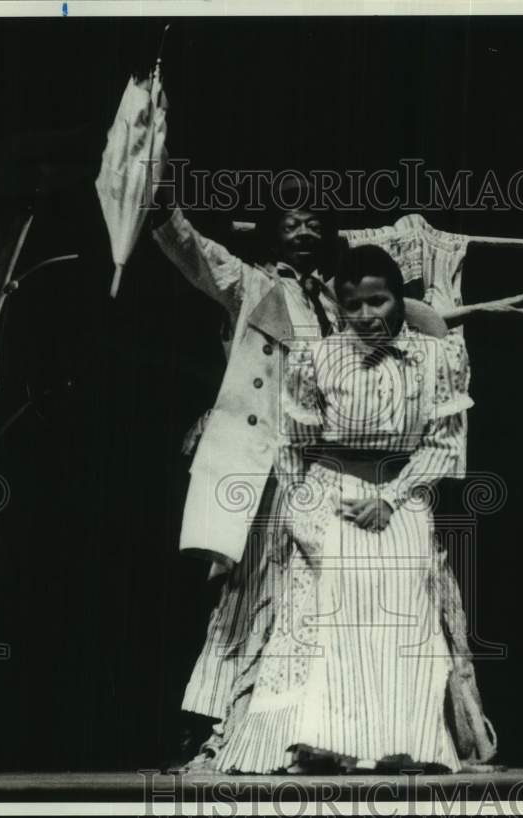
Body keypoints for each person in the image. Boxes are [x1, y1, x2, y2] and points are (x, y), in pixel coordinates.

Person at [206, 244, 493, 773]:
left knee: (402, 612)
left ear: (399, 300)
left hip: (400, 496)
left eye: (377, 301)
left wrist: (390, 499)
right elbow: (294, 444)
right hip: (329, 497)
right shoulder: (318, 358)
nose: (365, 315)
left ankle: (398, 742)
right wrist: (304, 508)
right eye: (353, 305)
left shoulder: (438, 357)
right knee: (331, 610)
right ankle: (322, 741)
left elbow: (445, 445)